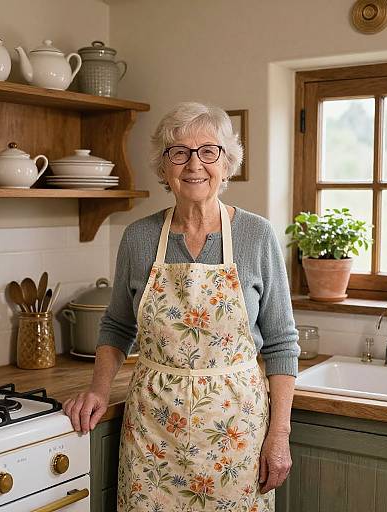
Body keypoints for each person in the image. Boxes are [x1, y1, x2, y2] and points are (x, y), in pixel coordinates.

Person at [63, 102, 300, 511]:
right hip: (153, 430)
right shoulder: (139, 238)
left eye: (209, 151)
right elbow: (118, 326)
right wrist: (98, 390)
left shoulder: (256, 235)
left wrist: (279, 435)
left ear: (227, 164)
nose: (194, 164)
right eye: (179, 152)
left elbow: (281, 343)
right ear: (164, 166)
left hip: (235, 432)